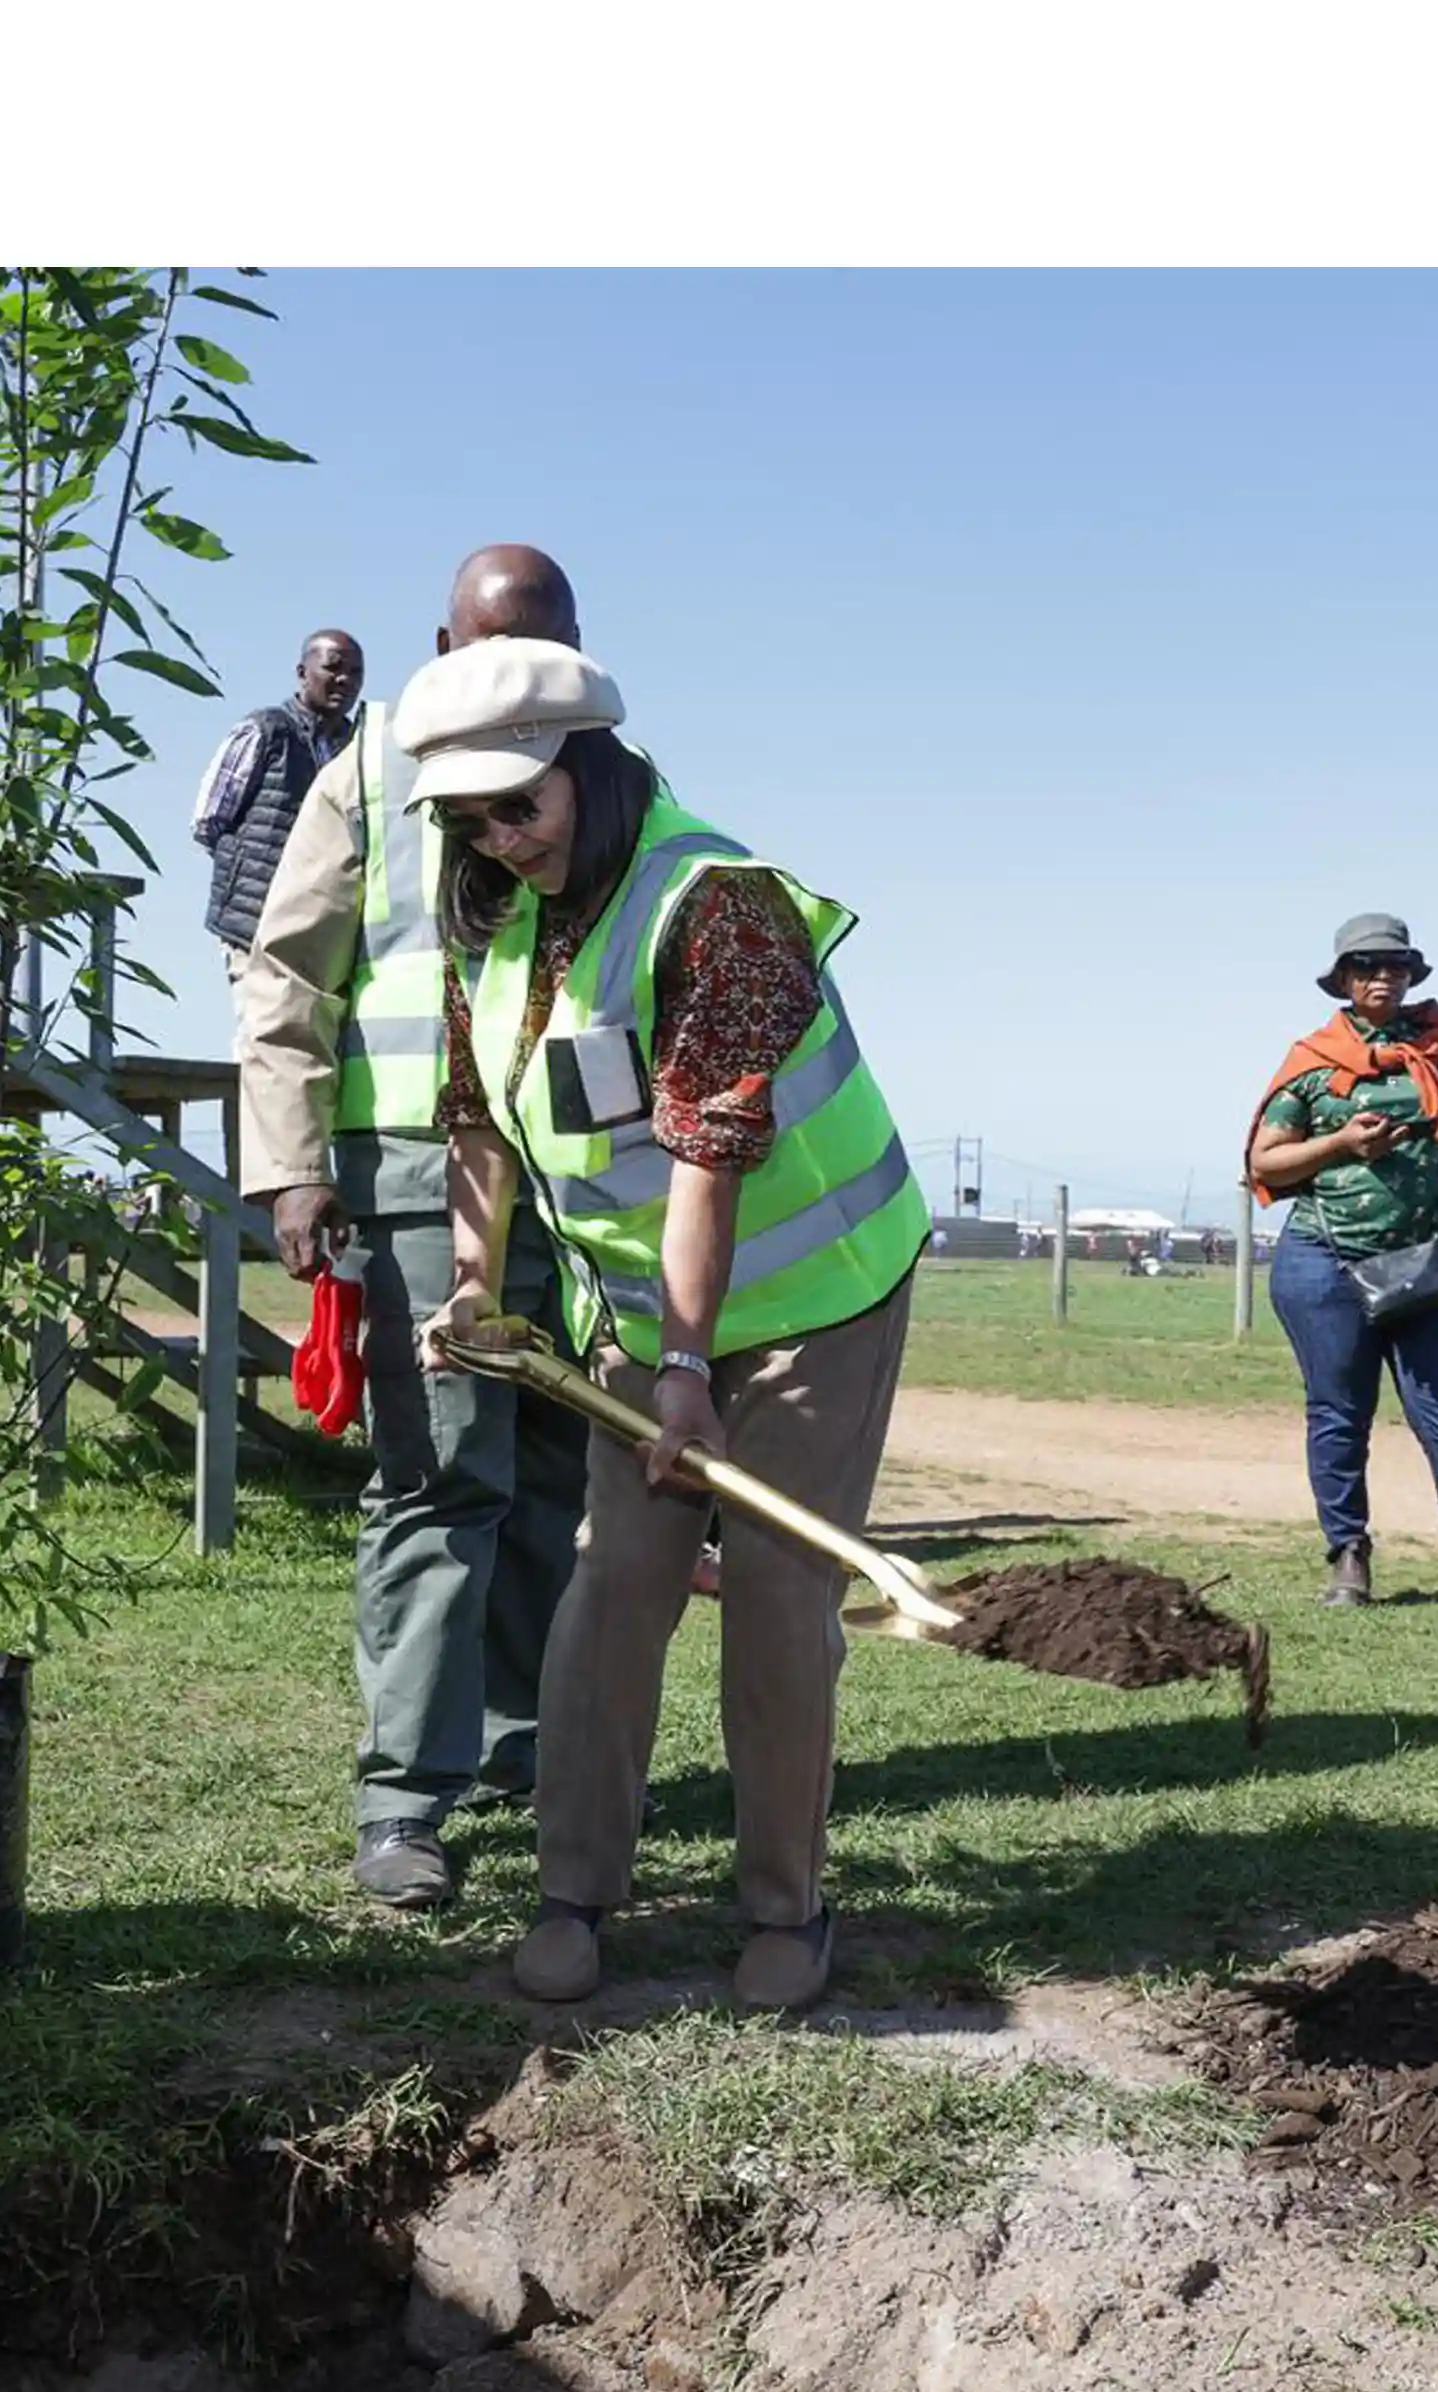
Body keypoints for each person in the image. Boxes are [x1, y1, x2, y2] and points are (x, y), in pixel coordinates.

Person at [410, 638, 929, 2017]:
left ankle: (786, 1910)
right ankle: (573, 1889)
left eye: (518, 806)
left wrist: (692, 1374)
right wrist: (476, 1286)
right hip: (648, 1319)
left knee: (772, 1592)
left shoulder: (719, 905)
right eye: (469, 820)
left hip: (817, 1301)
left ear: (589, 765)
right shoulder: (498, 923)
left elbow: (708, 1157)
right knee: (614, 1583)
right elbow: (480, 1120)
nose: (499, 840)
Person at [230, 554, 594, 1909]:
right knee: (443, 1478)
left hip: (572, 1182)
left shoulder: (603, 766)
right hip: (414, 1174)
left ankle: (527, 1743)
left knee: (556, 1476)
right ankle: (407, 1803)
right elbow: (288, 972)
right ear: (441, 642)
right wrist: (290, 1170)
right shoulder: (371, 769)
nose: (509, 680)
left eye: (541, 651)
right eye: (486, 650)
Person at [1248, 914, 1438, 1621]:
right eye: (1367, 967)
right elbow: (1264, 1163)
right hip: (1324, 1263)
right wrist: (1341, 1146)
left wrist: (1431, 1214)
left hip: (1425, 1262)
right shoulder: (1313, 1062)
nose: (1382, 978)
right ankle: (1348, 1556)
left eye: (1395, 967)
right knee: (1339, 1414)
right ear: (1342, 979)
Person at [192, 629, 367, 972]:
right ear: (302, 673)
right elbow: (208, 820)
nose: (345, 679)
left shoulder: (358, 747)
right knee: (264, 1023)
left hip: (323, 928)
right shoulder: (266, 730)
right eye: (333, 668)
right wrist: (258, 875)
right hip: (255, 925)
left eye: (356, 672)